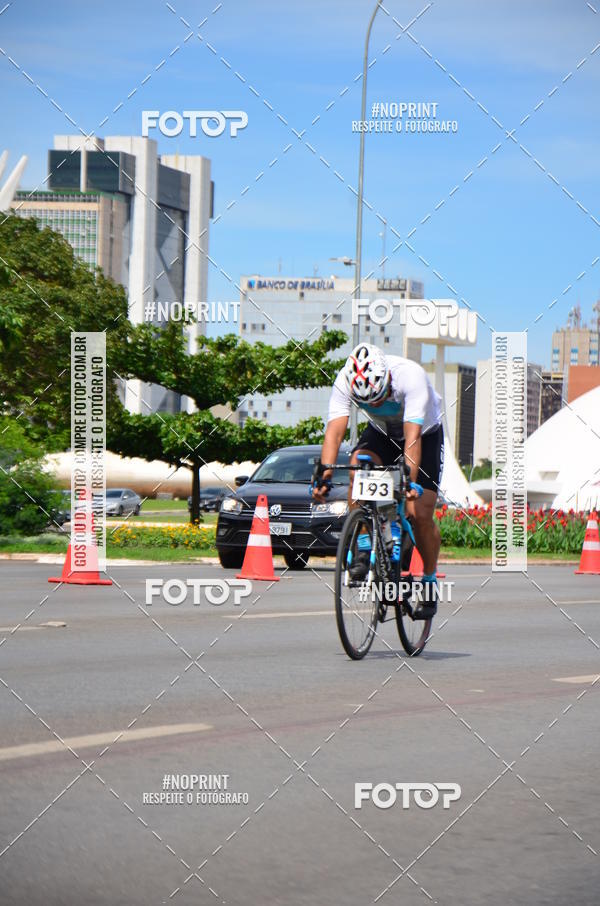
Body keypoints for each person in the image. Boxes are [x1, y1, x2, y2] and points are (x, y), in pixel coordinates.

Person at [312, 343, 444, 617]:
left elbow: (412, 438)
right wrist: (323, 475)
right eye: (368, 402)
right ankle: (363, 547)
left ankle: (429, 582)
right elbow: (334, 432)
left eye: (380, 397)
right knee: (356, 470)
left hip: (423, 434)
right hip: (381, 433)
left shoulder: (411, 377)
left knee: (419, 512)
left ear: (388, 380)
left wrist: (409, 481)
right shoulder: (345, 380)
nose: (375, 404)